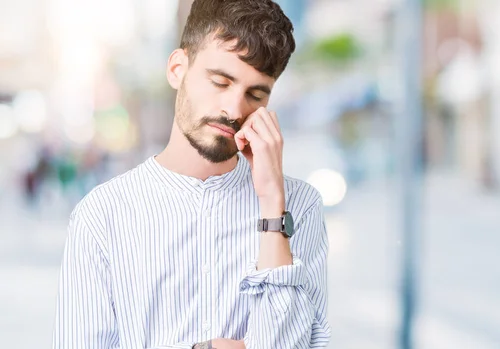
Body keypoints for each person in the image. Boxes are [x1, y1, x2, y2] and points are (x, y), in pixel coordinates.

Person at [52, 1, 331, 348]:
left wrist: (273, 204)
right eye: (219, 82)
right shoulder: (102, 216)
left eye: (255, 95)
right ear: (177, 69)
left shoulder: (298, 207)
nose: (234, 109)